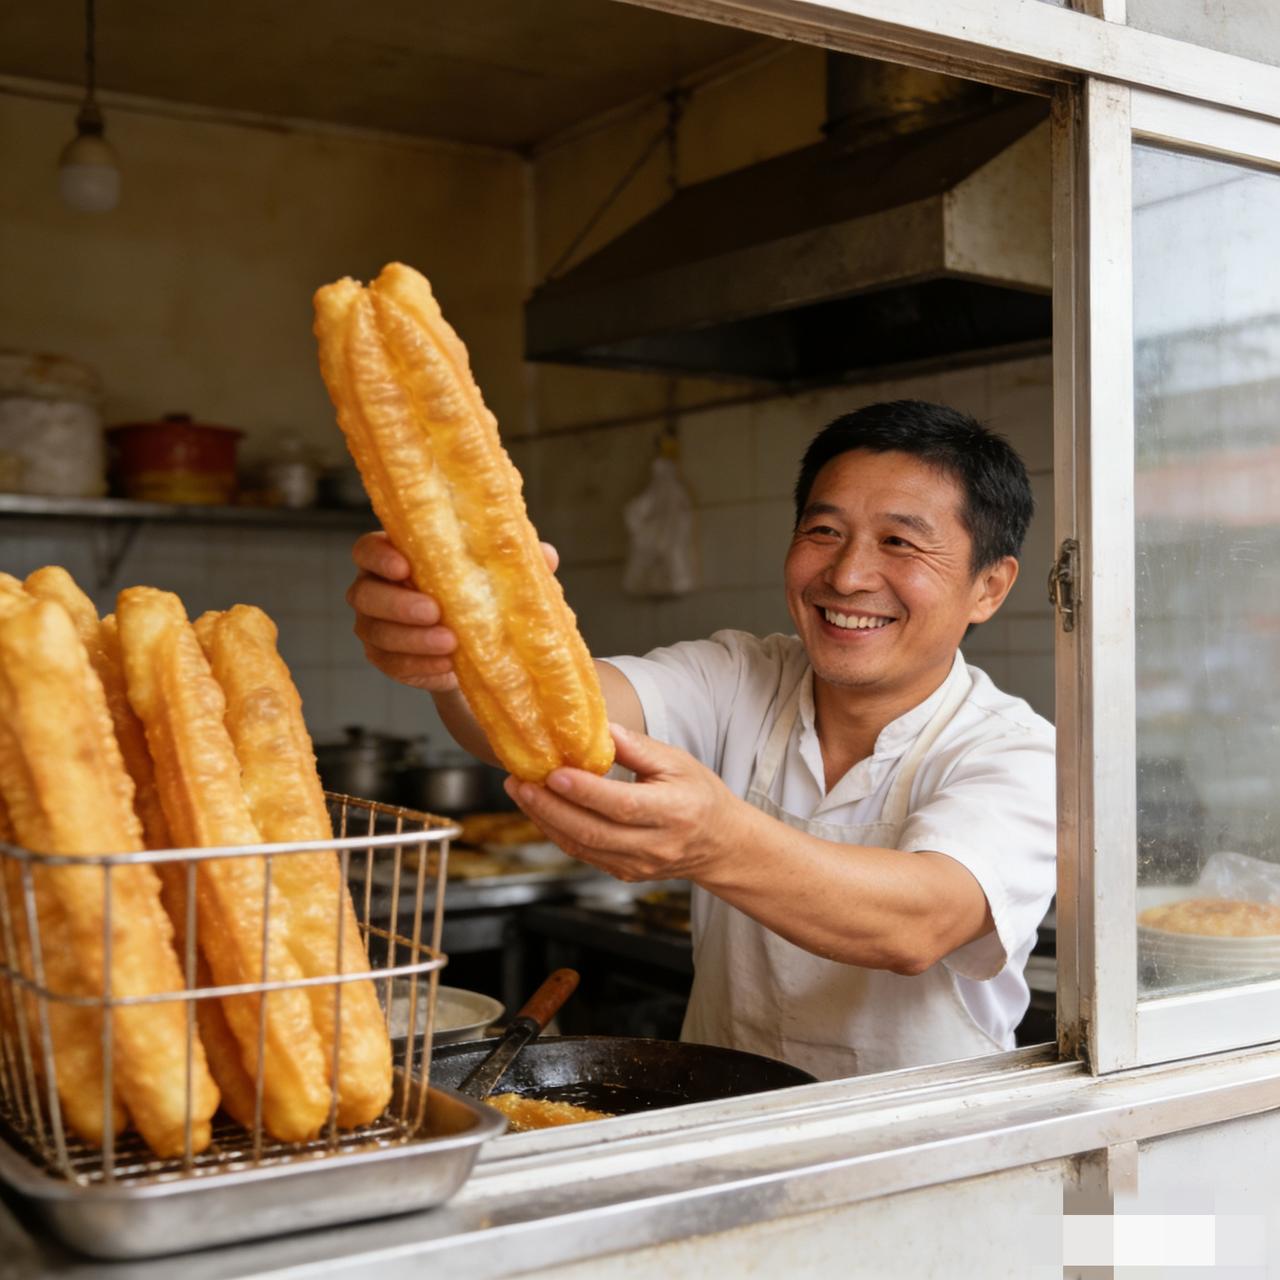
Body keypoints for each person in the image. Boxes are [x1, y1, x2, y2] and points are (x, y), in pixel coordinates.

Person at [346, 400, 1055, 1080]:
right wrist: (452, 654)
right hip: (723, 1124)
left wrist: (716, 841)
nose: (847, 575)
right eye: (823, 532)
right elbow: (545, 717)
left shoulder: (1018, 752)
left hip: (923, 1158)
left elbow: (918, 924)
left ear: (988, 587)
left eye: (899, 542)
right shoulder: (738, 674)